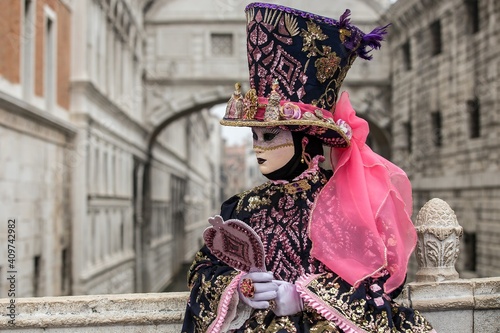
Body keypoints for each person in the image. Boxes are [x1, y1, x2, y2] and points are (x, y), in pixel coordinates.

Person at [182, 3, 436, 332]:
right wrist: (240, 289)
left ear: (305, 142)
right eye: (254, 136)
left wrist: (305, 296)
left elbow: (380, 286)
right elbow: (203, 269)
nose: (259, 147)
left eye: (271, 136)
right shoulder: (241, 208)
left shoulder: (345, 204)